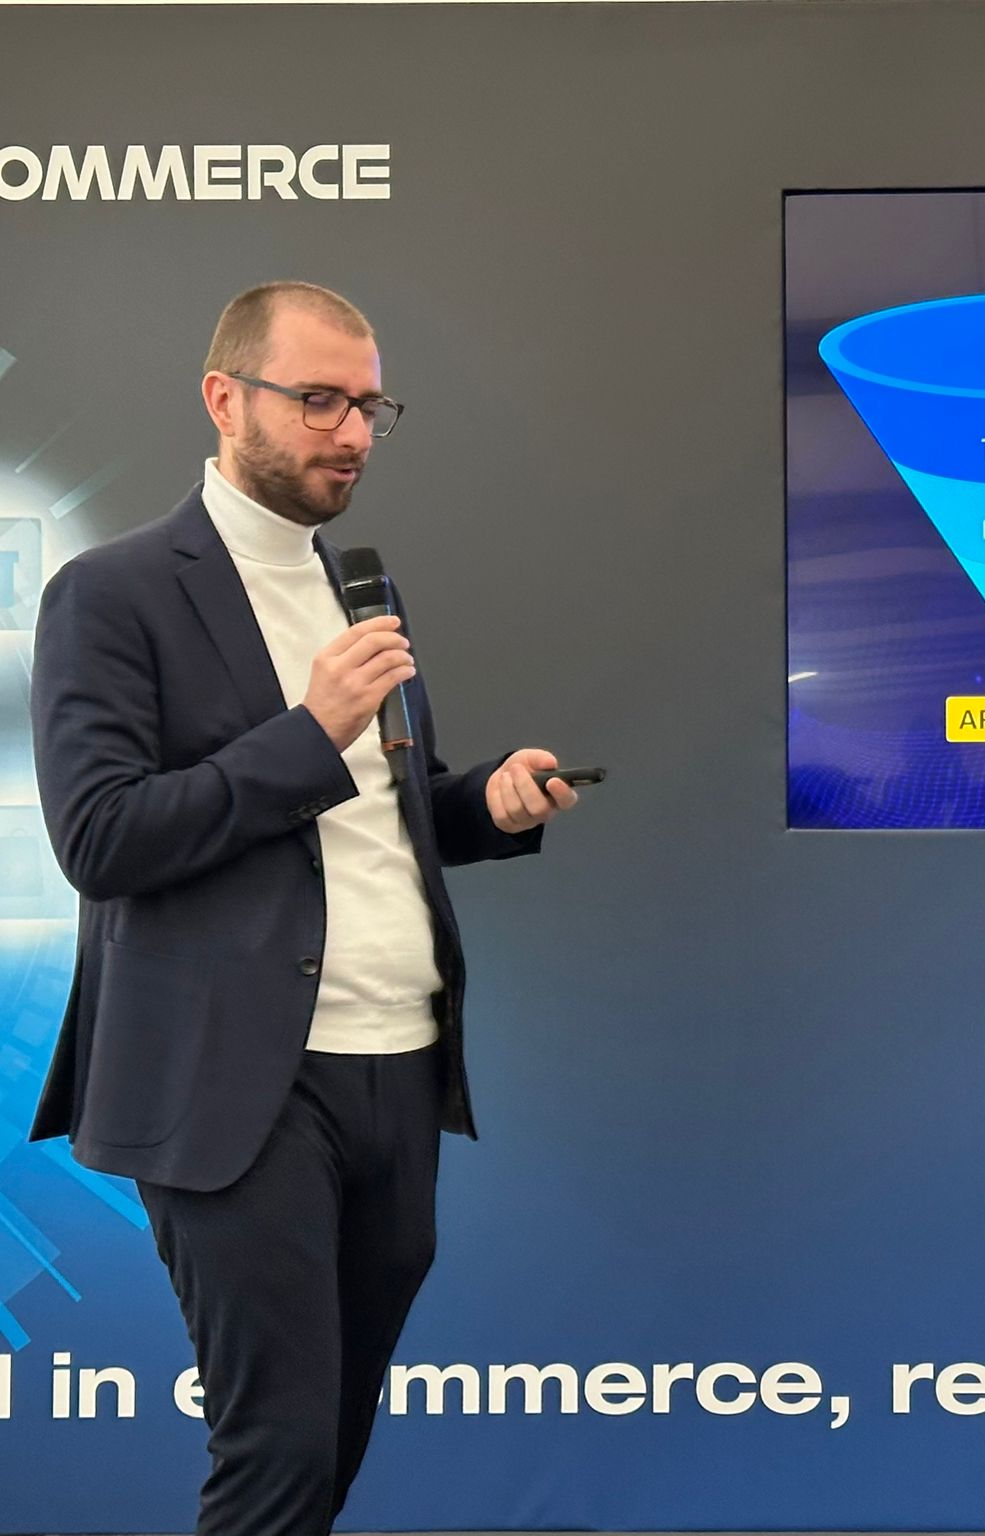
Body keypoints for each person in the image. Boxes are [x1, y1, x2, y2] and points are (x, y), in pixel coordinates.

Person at [28, 281, 580, 1535]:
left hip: (399, 1066)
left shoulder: (361, 589)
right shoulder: (113, 593)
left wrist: (485, 806)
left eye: (370, 406)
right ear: (224, 400)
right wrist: (312, 727)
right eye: (319, 399)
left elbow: (373, 820)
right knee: (275, 1449)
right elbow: (103, 839)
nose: (352, 432)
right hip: (234, 1087)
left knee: (328, 1441)